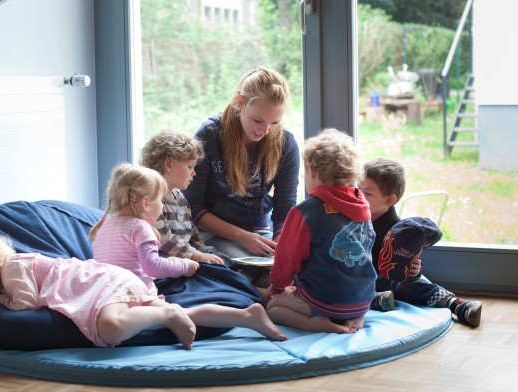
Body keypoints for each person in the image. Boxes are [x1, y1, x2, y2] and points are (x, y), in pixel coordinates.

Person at [0, 232, 285, 350]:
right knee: (147, 315)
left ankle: (167, 312)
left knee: (111, 329)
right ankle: (247, 316)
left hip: (94, 285)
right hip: (108, 282)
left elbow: (25, 304)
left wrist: (4, 302)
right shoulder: (12, 268)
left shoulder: (13, 269)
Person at [89, 163, 288, 343]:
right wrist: (184, 266)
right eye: (161, 199)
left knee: (179, 313)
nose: (162, 205)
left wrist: (183, 263)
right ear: (145, 203)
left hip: (121, 291)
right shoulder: (140, 227)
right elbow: (153, 266)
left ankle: (248, 316)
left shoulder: (105, 224)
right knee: (185, 313)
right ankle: (246, 316)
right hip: (128, 291)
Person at [262, 128, 377, 333]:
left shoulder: (306, 211)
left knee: (273, 308)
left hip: (325, 299)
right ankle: (356, 318)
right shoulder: (362, 205)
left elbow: (287, 260)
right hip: (363, 298)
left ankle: (314, 323)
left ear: (311, 169)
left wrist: (277, 289)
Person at [183, 66, 300, 262]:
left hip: (259, 229)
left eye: (274, 123)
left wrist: (281, 248)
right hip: (211, 230)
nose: (265, 130)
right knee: (239, 266)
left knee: (286, 268)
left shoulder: (286, 144)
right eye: (258, 120)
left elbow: (285, 207)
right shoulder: (209, 135)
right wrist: (242, 236)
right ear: (240, 101)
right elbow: (193, 207)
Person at [361, 157, 482, 327]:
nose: (359, 196)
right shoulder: (352, 219)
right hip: (356, 278)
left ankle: (457, 305)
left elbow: (405, 262)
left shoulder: (399, 230)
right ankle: (376, 300)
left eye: (367, 194)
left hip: (386, 279)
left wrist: (414, 269)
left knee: (412, 284)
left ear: (389, 200)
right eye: (358, 189)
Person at [140, 129, 224, 265]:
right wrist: (197, 256)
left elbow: (192, 235)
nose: (194, 173)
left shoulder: (180, 199)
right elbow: (163, 240)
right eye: (190, 167)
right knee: (215, 273)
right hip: (167, 263)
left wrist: (206, 252)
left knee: (223, 261)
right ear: (169, 165)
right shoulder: (152, 200)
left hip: (189, 257)